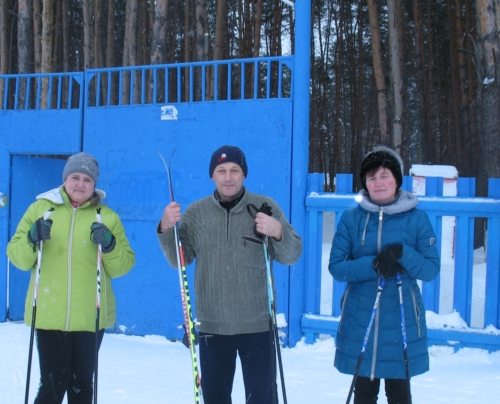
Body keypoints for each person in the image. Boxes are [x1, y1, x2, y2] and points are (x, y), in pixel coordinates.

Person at [157, 145, 303, 404]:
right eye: (221, 170)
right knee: (216, 398)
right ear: (212, 175)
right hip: (213, 325)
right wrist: (167, 228)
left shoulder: (265, 206)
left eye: (234, 170)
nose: (228, 176)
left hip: (258, 324)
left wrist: (277, 230)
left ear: (243, 174)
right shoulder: (195, 213)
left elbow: (291, 255)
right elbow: (179, 261)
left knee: (262, 399)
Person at [7, 152, 135, 404]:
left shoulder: (106, 217)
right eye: (75, 177)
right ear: (65, 179)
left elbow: (123, 266)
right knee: (52, 389)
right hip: (49, 314)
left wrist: (109, 245)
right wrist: (31, 239)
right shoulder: (40, 209)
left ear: (95, 184)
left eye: (87, 179)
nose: (80, 184)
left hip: (91, 317)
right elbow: (17, 258)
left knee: (82, 388)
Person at [329, 146, 440, 404]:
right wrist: (374, 265)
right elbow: (337, 267)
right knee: (365, 394)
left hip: (401, 321)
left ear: (397, 180)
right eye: (371, 178)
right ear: (365, 183)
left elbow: (431, 270)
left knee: (399, 394)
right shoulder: (351, 219)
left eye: (384, 176)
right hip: (361, 319)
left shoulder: (417, 219)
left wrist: (403, 254)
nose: (378, 183)